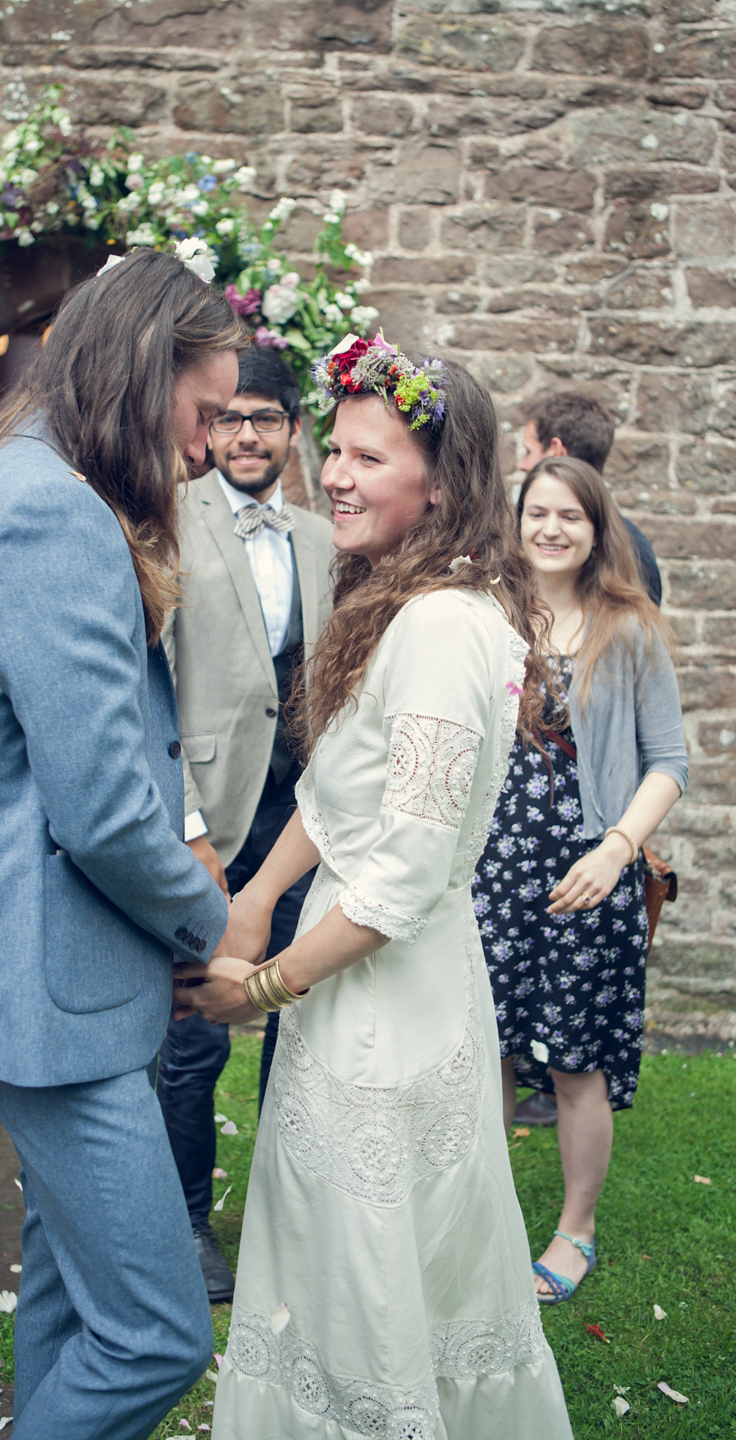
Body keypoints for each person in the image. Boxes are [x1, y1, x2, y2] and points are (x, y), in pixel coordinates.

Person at [175, 336, 573, 1438]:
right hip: (350, 993)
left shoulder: (445, 627)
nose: (334, 475)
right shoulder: (399, 599)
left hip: (389, 1013)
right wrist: (255, 896)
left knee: (372, 1274)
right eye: (336, 451)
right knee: (340, 1261)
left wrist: (253, 991)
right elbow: (343, 789)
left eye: (368, 456)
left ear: (441, 485)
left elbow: (399, 881)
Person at [0, 249, 246, 1440]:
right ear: (145, 376)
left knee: (69, 1299)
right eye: (203, 415)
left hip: (44, 981)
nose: (205, 448)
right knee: (155, 1334)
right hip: (49, 994)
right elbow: (99, 807)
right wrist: (217, 927)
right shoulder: (48, 506)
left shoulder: (29, 479)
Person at [473, 455, 687, 1305]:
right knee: (480, 1051)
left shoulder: (627, 628)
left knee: (573, 1066)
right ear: (516, 522)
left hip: (583, 884)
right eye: (537, 513)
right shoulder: (489, 620)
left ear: (597, 530)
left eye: (571, 515)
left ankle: (575, 1231)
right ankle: (480, 1222)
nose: (551, 529)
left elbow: (668, 763)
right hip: (490, 877)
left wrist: (617, 850)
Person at [158, 346, 333, 1304]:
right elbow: (157, 685)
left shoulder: (320, 536)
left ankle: (281, 1209)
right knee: (193, 1032)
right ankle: (187, 1218)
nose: (248, 435)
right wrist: (184, 819)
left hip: (306, 815)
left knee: (295, 1016)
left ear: (292, 431)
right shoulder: (169, 523)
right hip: (208, 823)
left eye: (267, 419)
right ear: (211, 428)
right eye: (231, 418)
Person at [520, 390, 662, 606]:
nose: (522, 464)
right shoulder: (636, 546)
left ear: (555, 451)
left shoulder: (632, 556)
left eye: (528, 451)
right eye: (537, 514)